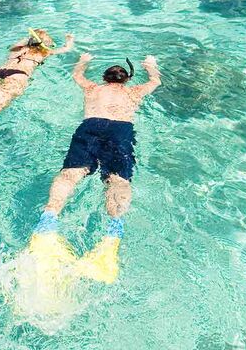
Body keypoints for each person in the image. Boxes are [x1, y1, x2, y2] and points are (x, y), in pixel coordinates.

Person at [31, 52, 161, 283]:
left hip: (91, 125)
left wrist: (83, 60)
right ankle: (112, 233)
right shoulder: (133, 92)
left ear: (104, 78)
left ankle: (48, 221)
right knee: (118, 180)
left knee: (70, 175)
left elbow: (76, 75)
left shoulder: (92, 88)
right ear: (127, 79)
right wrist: (150, 65)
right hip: (121, 130)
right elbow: (156, 82)